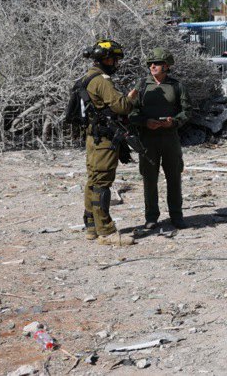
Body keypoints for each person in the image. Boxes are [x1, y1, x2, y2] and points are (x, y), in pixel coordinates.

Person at [79, 39, 139, 246]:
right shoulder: (102, 81)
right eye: (114, 59)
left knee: (93, 180)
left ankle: (91, 226)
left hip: (93, 137)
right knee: (102, 184)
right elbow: (120, 106)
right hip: (103, 139)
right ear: (104, 59)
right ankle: (106, 231)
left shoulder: (88, 77)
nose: (116, 64)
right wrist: (131, 98)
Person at [131, 48, 190, 230]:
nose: (152, 67)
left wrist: (174, 122)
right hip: (147, 139)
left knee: (174, 177)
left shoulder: (177, 86)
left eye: (156, 63)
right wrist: (145, 122)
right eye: (150, 64)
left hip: (170, 138)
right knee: (149, 179)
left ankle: (176, 216)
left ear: (166, 65)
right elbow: (131, 112)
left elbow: (187, 111)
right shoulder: (141, 86)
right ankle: (151, 217)